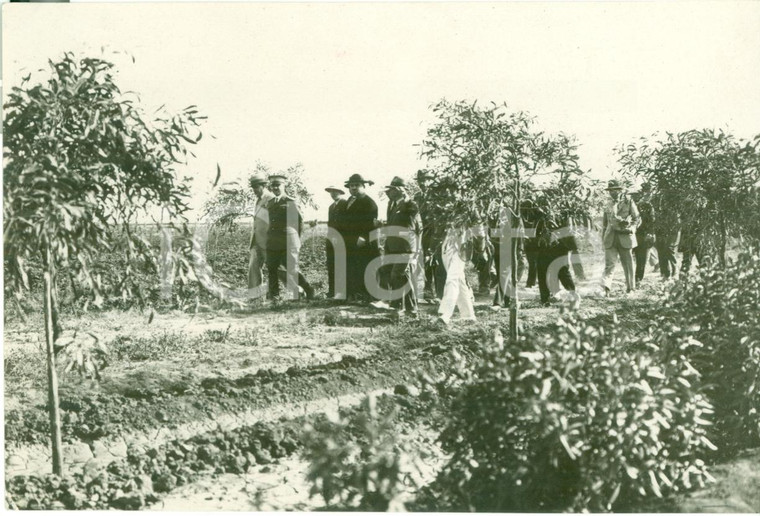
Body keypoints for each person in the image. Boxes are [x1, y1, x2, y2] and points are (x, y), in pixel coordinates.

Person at [265, 174, 314, 301]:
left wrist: (296, 239)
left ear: (284, 186)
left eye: (278, 185)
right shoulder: (270, 203)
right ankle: (274, 296)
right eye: (273, 185)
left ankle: (309, 289)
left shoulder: (290, 201)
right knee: (272, 268)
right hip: (273, 242)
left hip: (288, 241)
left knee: (292, 269)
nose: (275, 188)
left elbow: (299, 222)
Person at [378, 176, 420, 316]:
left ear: (401, 190)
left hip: (405, 246)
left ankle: (411, 309)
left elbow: (414, 226)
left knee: (399, 275)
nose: (388, 192)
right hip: (392, 245)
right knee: (394, 275)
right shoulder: (392, 206)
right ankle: (399, 306)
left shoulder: (410, 205)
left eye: (392, 190)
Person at [342, 173, 380, 302]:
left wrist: (363, 238)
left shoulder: (369, 203)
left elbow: (370, 224)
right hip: (350, 241)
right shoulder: (349, 201)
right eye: (351, 185)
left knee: (364, 267)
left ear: (364, 186)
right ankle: (355, 295)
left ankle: (368, 297)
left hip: (364, 242)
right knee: (353, 268)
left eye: (356, 185)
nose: (353, 188)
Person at [601, 179, 640, 295]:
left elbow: (636, 218)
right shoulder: (607, 203)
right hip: (610, 238)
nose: (613, 192)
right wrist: (603, 237)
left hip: (625, 237)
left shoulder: (629, 201)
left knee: (628, 264)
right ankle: (606, 289)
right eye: (610, 190)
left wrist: (632, 228)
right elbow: (604, 223)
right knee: (609, 264)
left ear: (621, 190)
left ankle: (630, 289)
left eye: (616, 190)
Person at [437, 226, 477, 325]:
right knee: (459, 280)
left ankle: (446, 314)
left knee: (452, 279)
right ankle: (468, 315)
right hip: (447, 245)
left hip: (462, 248)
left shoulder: (470, 213)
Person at [248, 174, 275, 293]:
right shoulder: (258, 200)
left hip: (268, 240)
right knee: (253, 266)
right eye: (252, 187)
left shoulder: (271, 198)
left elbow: (274, 220)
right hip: (256, 239)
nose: (254, 190)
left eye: (256, 187)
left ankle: (300, 289)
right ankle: (254, 295)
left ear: (263, 186)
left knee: (279, 269)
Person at [325, 185, 347, 299]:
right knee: (331, 265)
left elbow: (345, 225)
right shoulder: (331, 207)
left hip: (341, 240)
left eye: (335, 192)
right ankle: (332, 291)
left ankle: (341, 292)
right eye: (331, 192)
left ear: (340, 192)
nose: (333, 194)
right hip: (331, 239)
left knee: (340, 266)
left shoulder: (345, 204)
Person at [633, 182, 657, 286]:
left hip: (646, 234)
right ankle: (635, 279)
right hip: (637, 233)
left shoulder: (653, 204)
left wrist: (651, 233)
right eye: (645, 192)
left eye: (649, 191)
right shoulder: (638, 204)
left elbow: (653, 221)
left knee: (642, 257)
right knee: (639, 257)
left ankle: (638, 279)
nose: (648, 194)